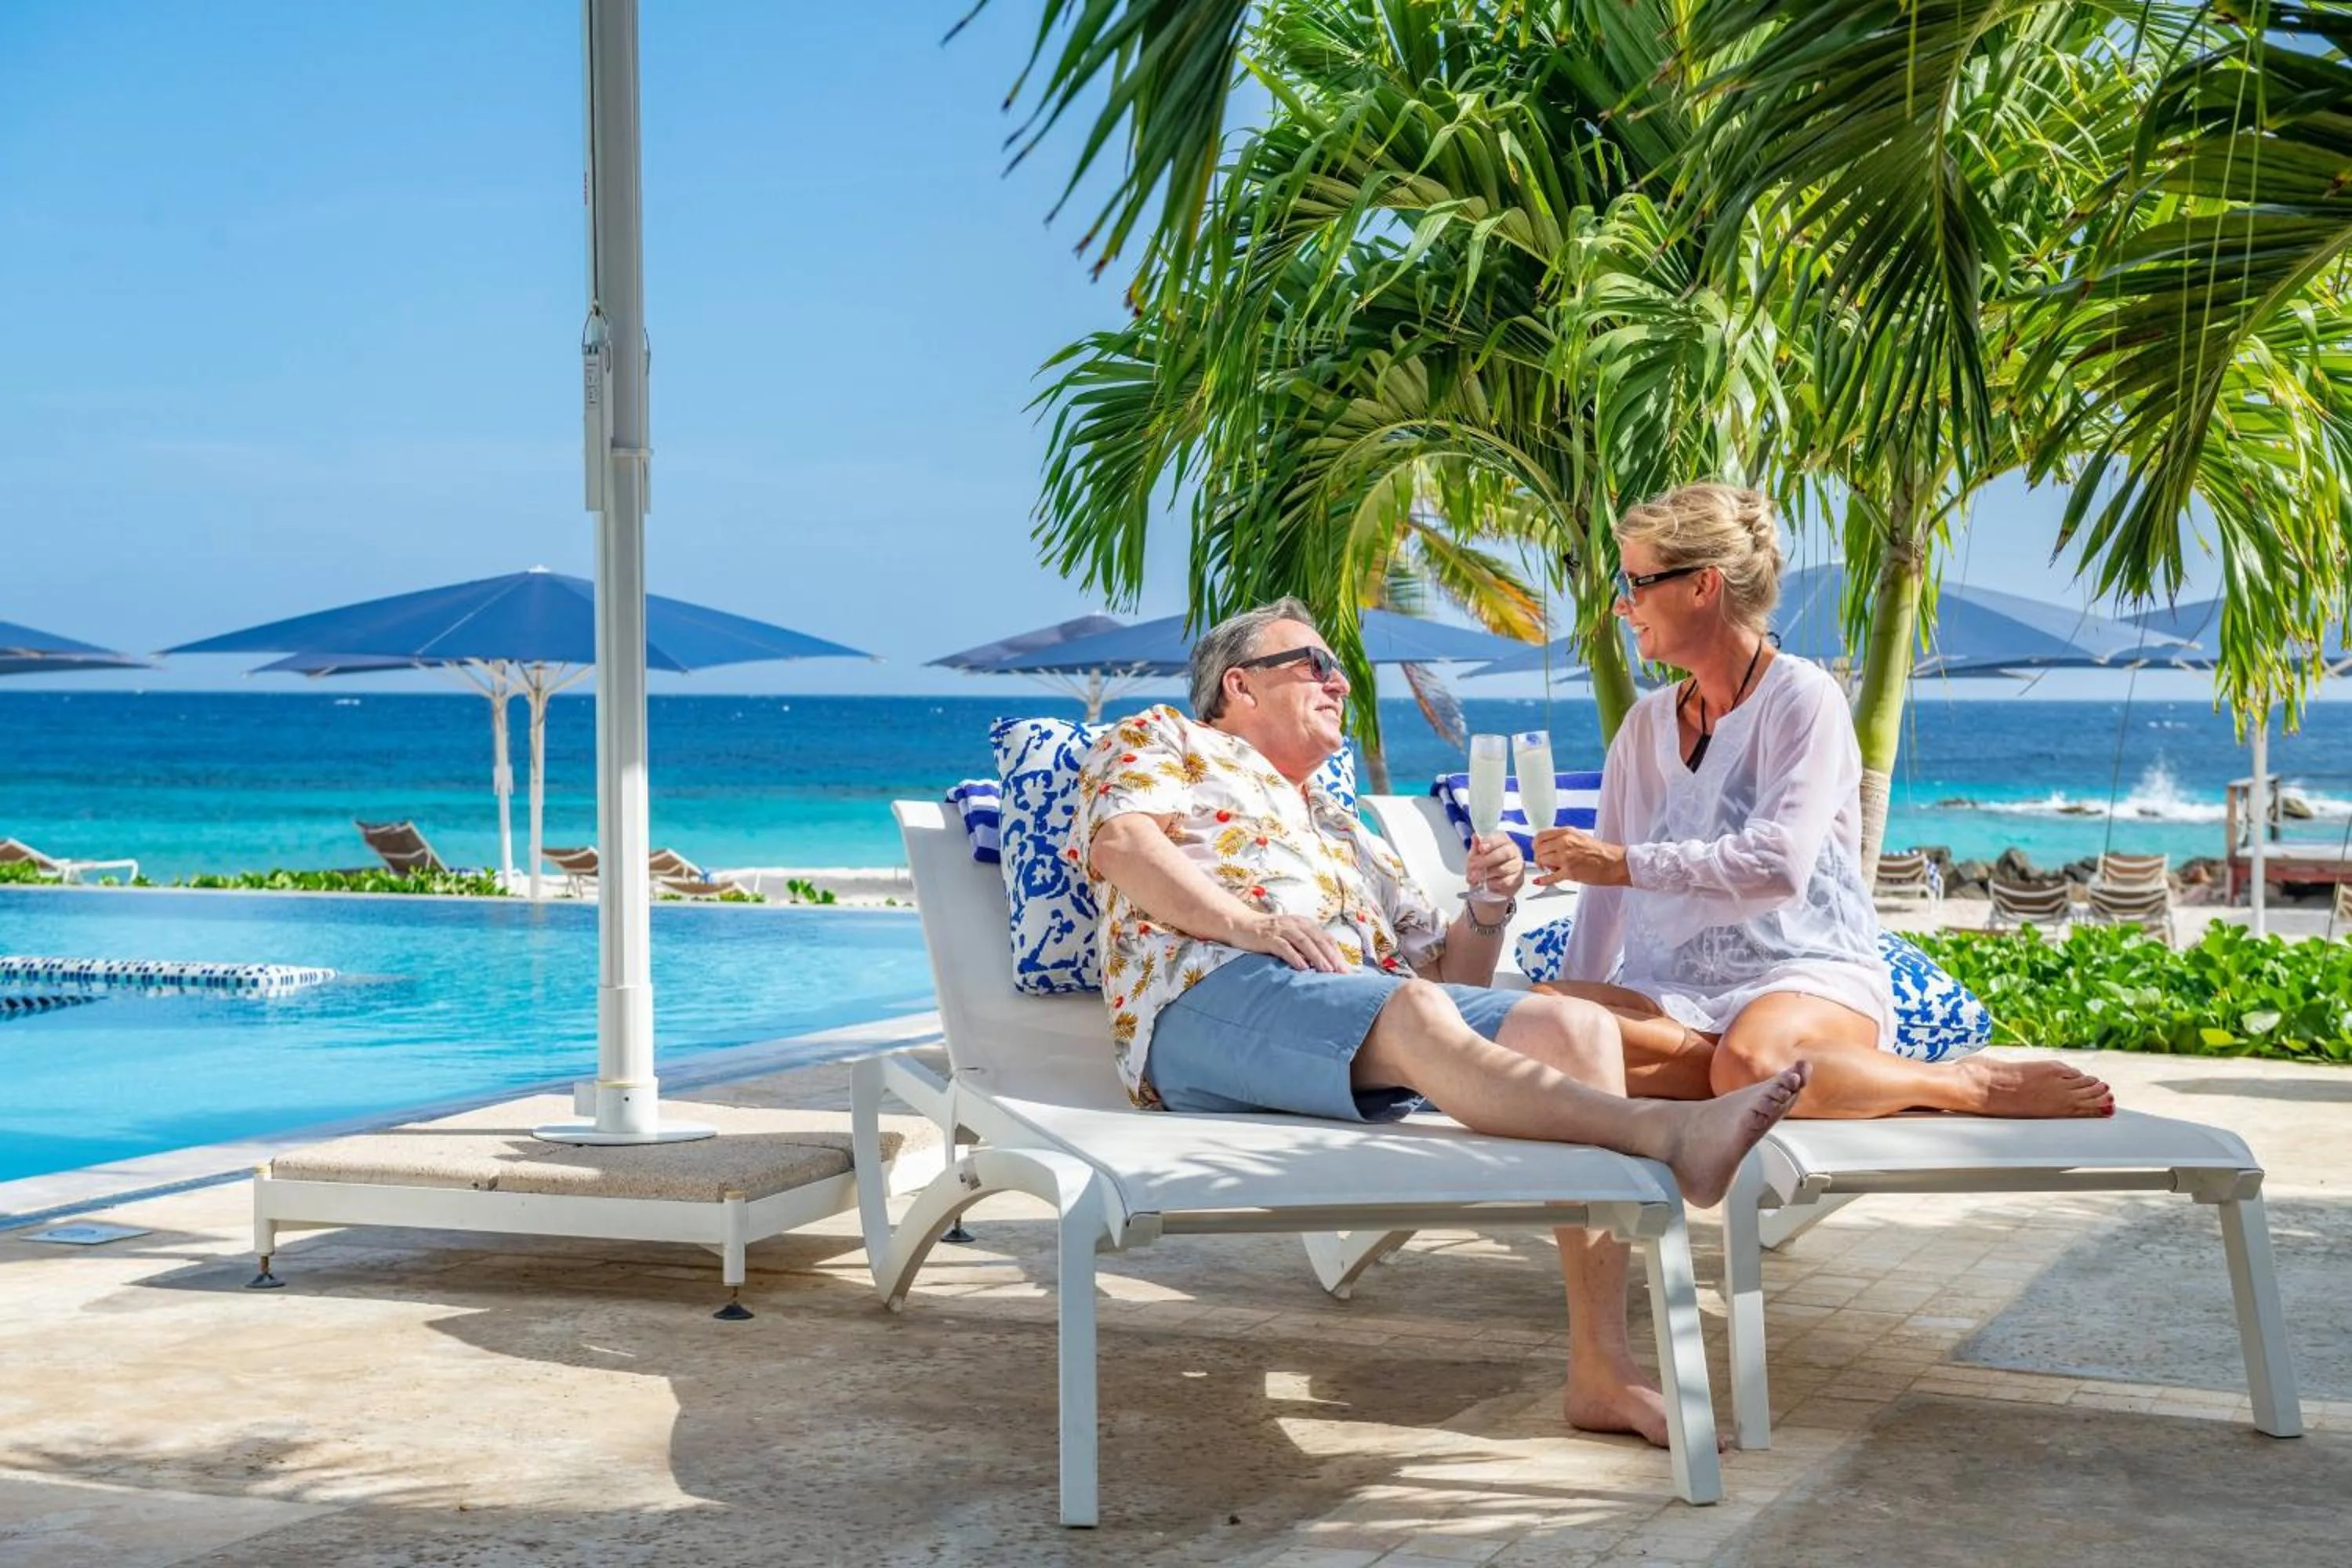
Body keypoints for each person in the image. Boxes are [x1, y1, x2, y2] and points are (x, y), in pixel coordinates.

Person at [1073, 597, 1810, 1447]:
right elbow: (1123, 844)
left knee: (1575, 1031)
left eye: (1338, 667)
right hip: (1207, 999)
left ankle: (1603, 1369)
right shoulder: (1162, 737)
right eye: (1313, 663)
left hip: (1356, 1017)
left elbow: (1446, 983)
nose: (1338, 680)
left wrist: (1489, 908)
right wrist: (1251, 924)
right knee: (1412, 1009)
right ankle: (1668, 1135)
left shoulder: (1348, 824)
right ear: (1238, 685)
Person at [1530, 483, 2114, 1119]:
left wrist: (1623, 862)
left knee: (1752, 1062)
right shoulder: (1644, 728)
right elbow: (1604, 900)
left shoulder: (1802, 698)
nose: (1623, 604)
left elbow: (1777, 866)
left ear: (1704, 585)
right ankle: (1781, 1078)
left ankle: (1963, 1084)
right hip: (1670, 992)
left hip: (1803, 979)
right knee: (1538, 1025)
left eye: (1638, 582)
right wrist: (1581, 995)